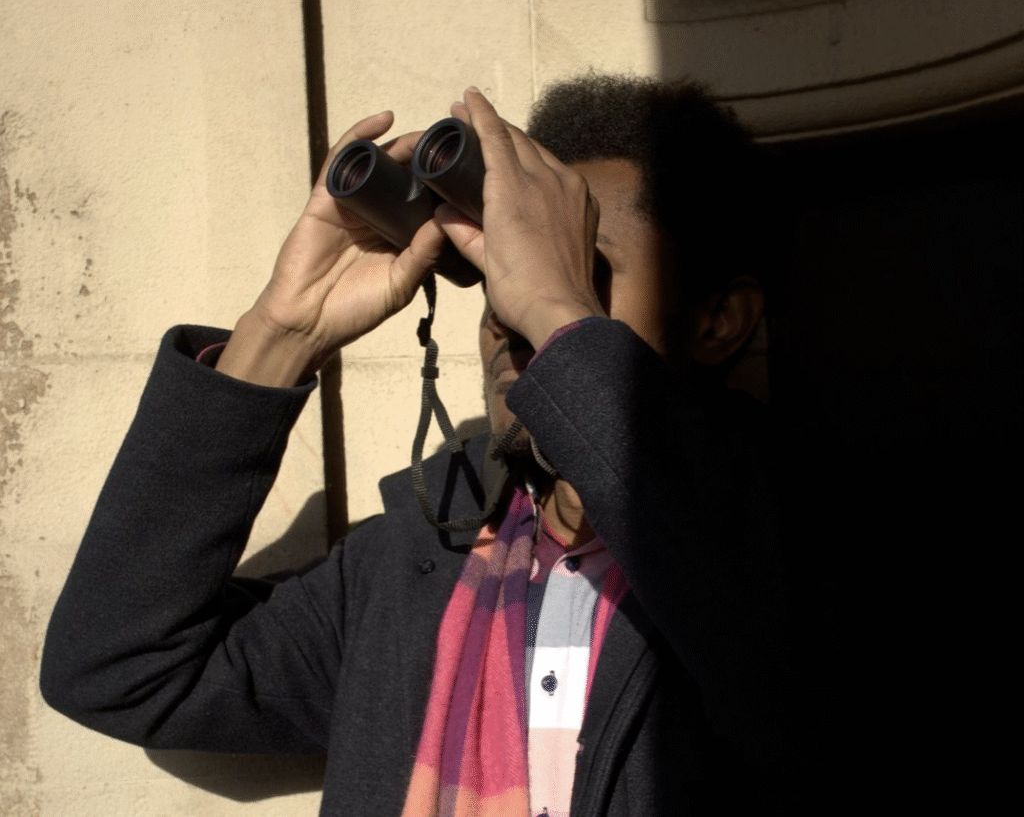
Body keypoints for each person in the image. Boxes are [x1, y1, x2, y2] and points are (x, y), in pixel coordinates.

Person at [41, 76, 821, 816]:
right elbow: (119, 667)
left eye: (580, 268)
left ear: (718, 319)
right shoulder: (412, 568)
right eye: (503, 270)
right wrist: (282, 336)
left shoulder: (803, 547)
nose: (508, 312)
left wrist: (558, 313)